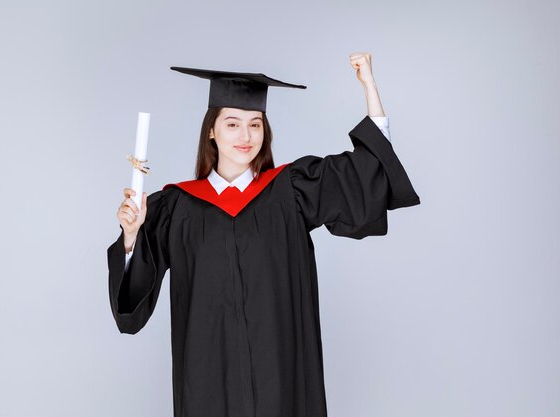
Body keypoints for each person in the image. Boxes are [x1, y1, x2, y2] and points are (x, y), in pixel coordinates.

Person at [107, 52, 420, 417]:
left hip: (281, 378)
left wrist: (370, 86)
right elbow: (133, 298)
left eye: (255, 125)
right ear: (211, 130)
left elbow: (366, 175)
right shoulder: (176, 207)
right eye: (233, 124)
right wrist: (130, 236)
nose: (245, 136)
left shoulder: (291, 191)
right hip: (209, 380)